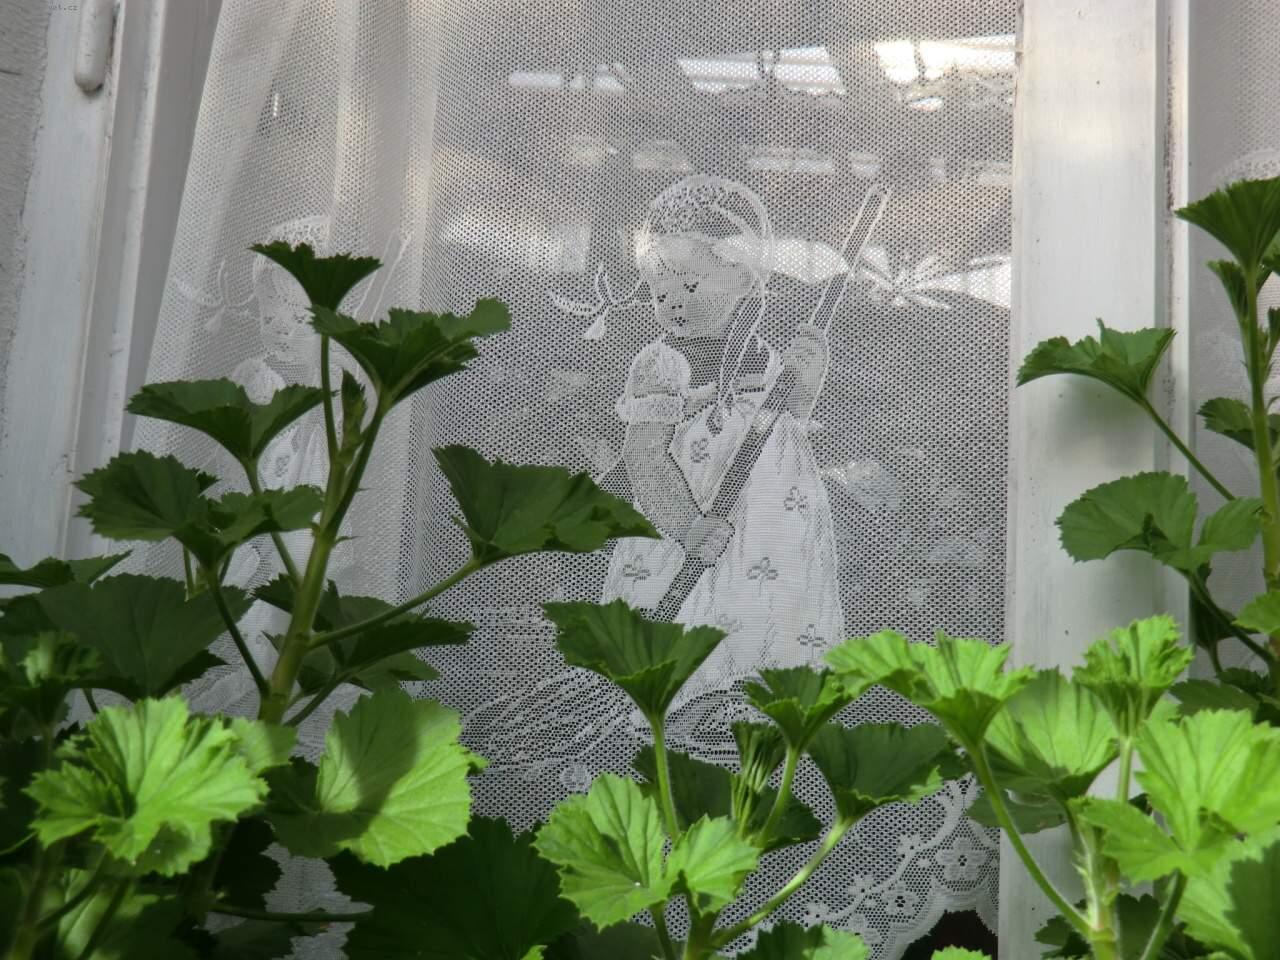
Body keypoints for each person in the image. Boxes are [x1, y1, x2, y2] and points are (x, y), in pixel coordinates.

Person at [598, 174, 845, 750]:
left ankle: (749, 714)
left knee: (763, 619)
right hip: (690, 521)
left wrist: (808, 377)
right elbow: (645, 455)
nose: (671, 301)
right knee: (686, 622)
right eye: (658, 288)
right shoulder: (662, 364)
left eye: (689, 281)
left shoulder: (767, 359)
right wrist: (686, 525)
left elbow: (789, 421)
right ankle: (673, 724)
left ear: (744, 276)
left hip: (769, 525)